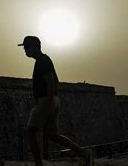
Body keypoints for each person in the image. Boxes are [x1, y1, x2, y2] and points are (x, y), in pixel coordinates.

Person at [18, 36, 91, 166]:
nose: (24, 50)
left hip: (46, 100)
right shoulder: (43, 60)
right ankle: (83, 153)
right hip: (52, 99)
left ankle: (39, 164)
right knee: (52, 134)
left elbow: (51, 82)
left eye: (26, 47)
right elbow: (55, 82)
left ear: (34, 47)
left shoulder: (42, 61)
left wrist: (48, 103)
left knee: (30, 133)